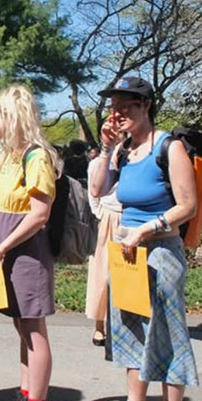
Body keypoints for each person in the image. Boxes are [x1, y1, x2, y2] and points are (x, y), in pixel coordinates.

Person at [89, 76, 198, 401]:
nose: (118, 114)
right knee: (130, 332)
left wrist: (147, 230)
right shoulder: (124, 151)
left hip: (161, 253)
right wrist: (105, 149)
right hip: (128, 254)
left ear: (147, 106)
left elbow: (187, 206)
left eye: (127, 107)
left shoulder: (170, 148)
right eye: (114, 107)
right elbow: (99, 191)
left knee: (166, 336)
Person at [0, 85, 58, 401]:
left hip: (28, 255)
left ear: (13, 117)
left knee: (34, 331)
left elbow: (39, 215)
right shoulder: (11, 156)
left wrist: (1, 248)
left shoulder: (36, 157)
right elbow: (1, 208)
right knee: (22, 329)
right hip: (9, 254)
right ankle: (25, 397)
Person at [85, 116, 123, 348]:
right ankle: (99, 326)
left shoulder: (134, 156)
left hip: (130, 217)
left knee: (126, 276)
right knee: (101, 274)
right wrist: (101, 215)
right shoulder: (98, 161)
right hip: (107, 217)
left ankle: (121, 324)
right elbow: (93, 193)